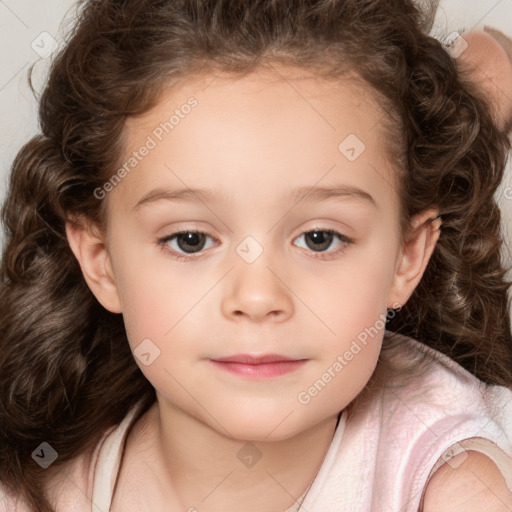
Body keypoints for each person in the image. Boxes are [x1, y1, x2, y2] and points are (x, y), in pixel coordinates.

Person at [0, 1, 511, 511]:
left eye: (319, 239)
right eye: (190, 240)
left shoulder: (456, 488)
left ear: (407, 256)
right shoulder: (40, 486)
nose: (258, 297)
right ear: (101, 259)